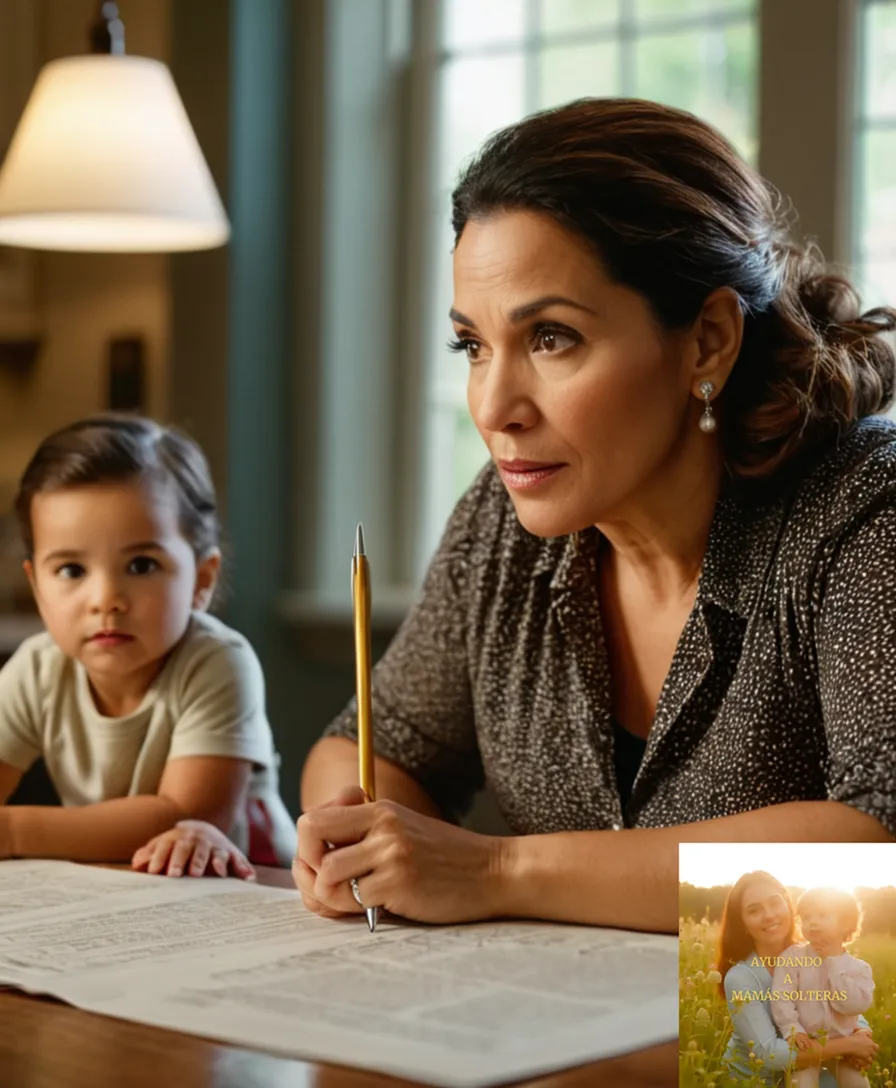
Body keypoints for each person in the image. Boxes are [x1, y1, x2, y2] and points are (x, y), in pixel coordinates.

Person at [294, 96, 896, 931]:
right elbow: (380, 742)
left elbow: (879, 845)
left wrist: (500, 868)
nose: (494, 407)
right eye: (472, 345)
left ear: (708, 341)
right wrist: (356, 841)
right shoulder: (502, 521)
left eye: (551, 338)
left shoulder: (864, 508)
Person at [0, 413, 295, 876]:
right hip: (129, 886)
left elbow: (185, 813)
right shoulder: (36, 670)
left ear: (201, 579)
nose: (106, 600)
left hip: (249, 885)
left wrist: (14, 832)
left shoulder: (218, 663)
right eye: (72, 570)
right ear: (36, 585)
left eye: (140, 565)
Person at [718, 872, 877, 1086]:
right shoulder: (741, 978)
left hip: (811, 1063)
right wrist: (849, 1045)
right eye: (754, 910)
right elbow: (768, 1053)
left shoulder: (815, 952)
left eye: (775, 903)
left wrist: (862, 1033)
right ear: (743, 923)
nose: (769, 915)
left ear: (788, 905)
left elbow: (840, 1002)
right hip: (759, 1079)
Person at [770, 886, 874, 1087]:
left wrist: (833, 962)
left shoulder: (859, 969)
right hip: (807, 1044)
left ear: (846, 924)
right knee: (801, 1083)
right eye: (807, 917)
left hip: (845, 1048)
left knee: (858, 1083)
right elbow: (782, 997)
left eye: (822, 915)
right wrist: (793, 1029)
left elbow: (852, 1006)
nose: (813, 922)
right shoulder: (792, 958)